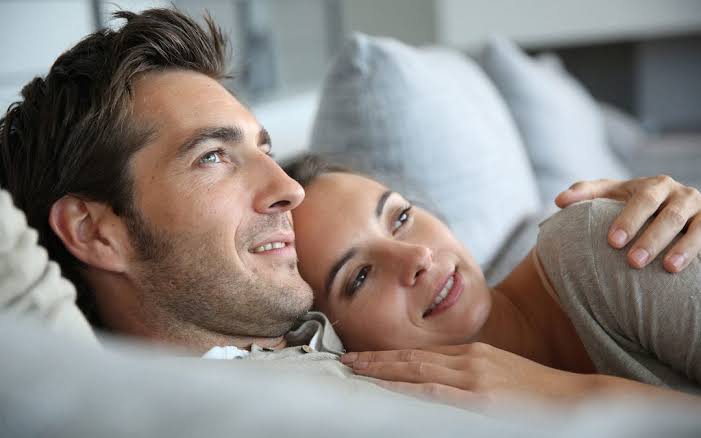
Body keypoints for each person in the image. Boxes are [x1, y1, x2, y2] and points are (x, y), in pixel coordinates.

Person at [0, 6, 698, 371]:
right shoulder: (105, 399)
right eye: (213, 156)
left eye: (263, 149)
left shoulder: (609, 244)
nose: (285, 190)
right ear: (95, 231)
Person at [285, 154, 701, 410]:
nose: (417, 258)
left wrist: (567, 395)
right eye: (360, 276)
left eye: (401, 218)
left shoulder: (600, 246)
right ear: (335, 340)